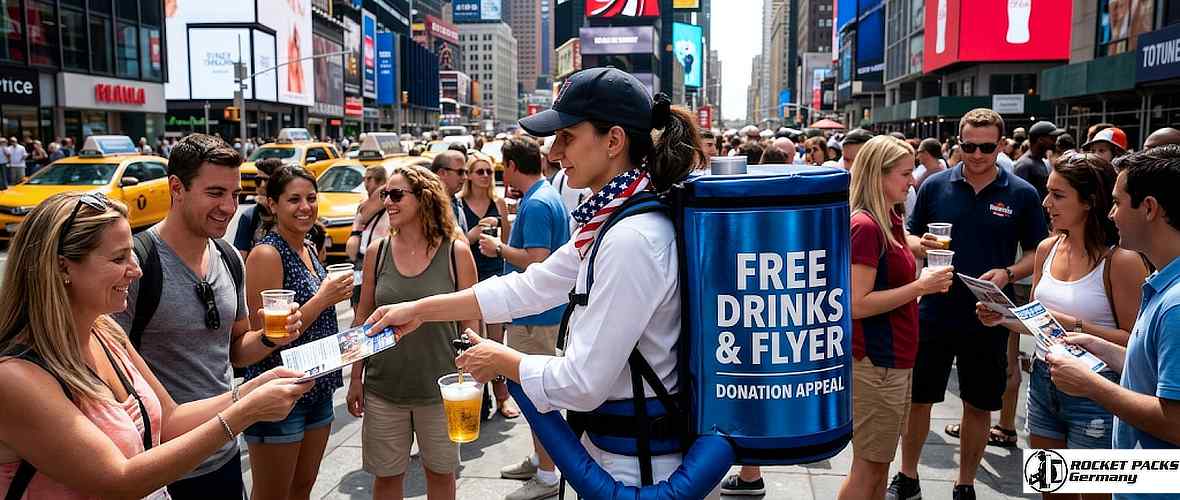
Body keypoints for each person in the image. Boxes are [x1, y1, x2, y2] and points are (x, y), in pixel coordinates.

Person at [362, 67, 712, 494]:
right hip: (618, 451)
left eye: (567, 136)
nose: (553, 151)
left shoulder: (630, 239)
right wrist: (419, 311)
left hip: (641, 466)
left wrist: (501, 360)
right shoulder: (607, 222)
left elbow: (581, 383)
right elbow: (531, 285)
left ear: (614, 141)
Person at [0, 192, 311, 498]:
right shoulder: (16, 377)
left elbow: (170, 419)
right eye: (118, 258)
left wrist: (251, 390)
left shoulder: (106, 332)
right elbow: (119, 482)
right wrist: (244, 413)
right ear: (63, 267)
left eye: (131, 255)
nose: (135, 271)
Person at [112, 133, 304, 499]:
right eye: (215, 193)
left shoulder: (231, 259)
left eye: (234, 195)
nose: (229, 207)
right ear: (176, 188)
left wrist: (268, 337)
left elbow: (234, 350)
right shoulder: (137, 265)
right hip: (161, 466)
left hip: (224, 452)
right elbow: (110, 367)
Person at [891, 108, 1048, 500]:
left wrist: (1009, 273)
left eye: (987, 147)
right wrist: (922, 246)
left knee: (979, 403)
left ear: (1001, 144)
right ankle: (907, 477)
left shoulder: (1022, 194)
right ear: (958, 143)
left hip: (989, 313)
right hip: (935, 306)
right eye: (969, 146)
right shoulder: (934, 185)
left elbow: (1037, 252)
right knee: (919, 398)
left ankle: (965, 484)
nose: (977, 155)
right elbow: (908, 237)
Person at [977, 152, 1147, 500]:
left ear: (1089, 201)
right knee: (1050, 491)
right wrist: (1005, 317)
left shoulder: (1121, 261)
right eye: (1047, 192)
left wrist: (1072, 323)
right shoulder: (1046, 248)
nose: (1045, 203)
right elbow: (1040, 322)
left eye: (1058, 195)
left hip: (1098, 388)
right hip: (1044, 381)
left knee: (1096, 494)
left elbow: (1135, 343)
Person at [1047, 146, 1180, 500]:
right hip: (1145, 479)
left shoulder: (1175, 303)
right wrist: (1101, 348)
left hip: (1157, 486)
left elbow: (1175, 422)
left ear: (1149, 208)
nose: (1111, 213)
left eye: (1118, 203)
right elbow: (1153, 374)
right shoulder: (1164, 284)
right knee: (1047, 476)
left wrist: (1090, 384)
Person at [345, 164, 479, 500]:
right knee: (387, 479)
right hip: (383, 389)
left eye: (395, 194)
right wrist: (355, 377)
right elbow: (362, 316)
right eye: (383, 194)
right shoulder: (377, 252)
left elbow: (471, 321)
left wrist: (474, 378)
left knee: (441, 475)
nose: (387, 202)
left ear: (424, 198)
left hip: (442, 390)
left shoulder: (456, 251)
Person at [839, 136, 955, 499]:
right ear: (879, 175)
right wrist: (921, 286)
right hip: (876, 362)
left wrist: (920, 245)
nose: (912, 181)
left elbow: (898, 247)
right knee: (869, 469)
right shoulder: (867, 226)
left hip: (893, 360)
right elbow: (856, 303)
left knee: (878, 468)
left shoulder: (888, 217)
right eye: (905, 174)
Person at [242, 166, 353, 500]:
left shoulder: (306, 246)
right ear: (273, 204)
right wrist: (323, 299)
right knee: (273, 494)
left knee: (302, 488)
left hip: (317, 386)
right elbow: (263, 335)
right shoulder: (267, 253)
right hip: (280, 392)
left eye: (311, 198)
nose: (305, 207)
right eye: (294, 199)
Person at [474, 136, 571, 500]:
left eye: (502, 166)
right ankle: (540, 459)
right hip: (540, 314)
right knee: (535, 395)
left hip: (536, 315)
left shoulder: (537, 203)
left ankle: (547, 475)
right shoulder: (545, 197)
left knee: (535, 396)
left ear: (512, 166)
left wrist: (497, 247)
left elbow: (536, 260)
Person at [460, 153, 519, 419]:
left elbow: (506, 241)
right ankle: (475, 400)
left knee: (496, 341)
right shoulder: (460, 204)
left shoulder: (498, 203)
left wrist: (498, 240)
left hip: (495, 276)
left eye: (488, 171)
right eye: (480, 171)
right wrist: (476, 232)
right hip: (469, 278)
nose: (485, 176)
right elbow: (459, 241)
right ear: (469, 175)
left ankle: (502, 398)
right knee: (471, 341)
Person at [346, 164, 394, 305]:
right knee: (358, 300)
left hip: (378, 256)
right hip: (362, 256)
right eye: (364, 179)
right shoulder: (366, 201)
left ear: (380, 181)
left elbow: (364, 213)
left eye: (369, 179)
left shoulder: (383, 195)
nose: (365, 183)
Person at [232, 158, 283, 259]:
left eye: (267, 181)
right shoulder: (249, 217)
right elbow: (240, 258)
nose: (263, 185)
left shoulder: (290, 215)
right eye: (258, 181)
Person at [1015, 121, 1064, 203]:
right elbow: (1018, 198)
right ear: (1040, 140)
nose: (1055, 142)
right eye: (1052, 138)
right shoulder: (1024, 164)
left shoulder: (1039, 161)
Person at [430, 150, 471, 233]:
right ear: (441, 173)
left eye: (466, 172)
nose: (465, 177)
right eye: (460, 172)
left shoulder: (456, 201)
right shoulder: (429, 204)